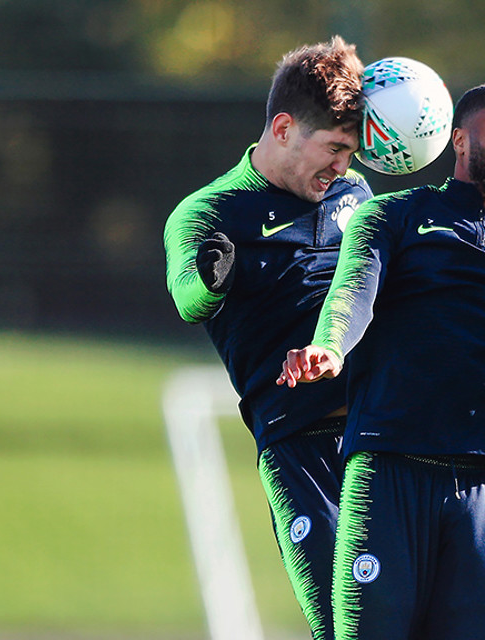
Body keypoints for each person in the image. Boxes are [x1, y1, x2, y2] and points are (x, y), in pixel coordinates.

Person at [277, 82, 485, 640]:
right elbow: (354, 292)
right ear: (459, 138)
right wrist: (329, 346)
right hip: (387, 470)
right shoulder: (393, 216)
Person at [162, 36, 371, 640]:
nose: (342, 167)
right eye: (333, 148)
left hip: (385, 433)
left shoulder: (356, 197)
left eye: (351, 152)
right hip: (297, 448)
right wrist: (210, 277)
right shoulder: (207, 213)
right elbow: (186, 299)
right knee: (345, 626)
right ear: (283, 128)